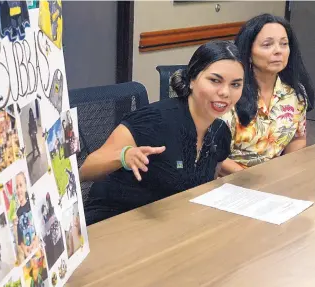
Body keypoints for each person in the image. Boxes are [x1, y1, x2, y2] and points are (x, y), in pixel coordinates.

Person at [79, 40, 245, 225]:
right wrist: (124, 156)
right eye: (215, 80)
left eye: (235, 85)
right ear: (192, 79)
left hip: (170, 221)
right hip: (117, 220)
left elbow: (206, 187)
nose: (225, 92)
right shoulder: (154, 119)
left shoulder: (220, 132)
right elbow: (85, 170)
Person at [220, 14, 314, 175]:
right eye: (267, 45)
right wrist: (256, 179)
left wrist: (287, 172)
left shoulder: (295, 92)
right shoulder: (227, 93)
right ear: (249, 52)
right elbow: (207, 152)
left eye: (284, 44)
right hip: (228, 182)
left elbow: (298, 138)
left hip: (275, 180)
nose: (278, 51)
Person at [15, 172, 38, 260]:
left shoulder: (31, 205)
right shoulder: (18, 213)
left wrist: (36, 240)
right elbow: (20, 237)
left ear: (25, 187)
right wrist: (25, 249)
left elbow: (38, 226)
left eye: (21, 185)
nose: (19, 189)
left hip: (37, 248)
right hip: (28, 254)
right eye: (17, 187)